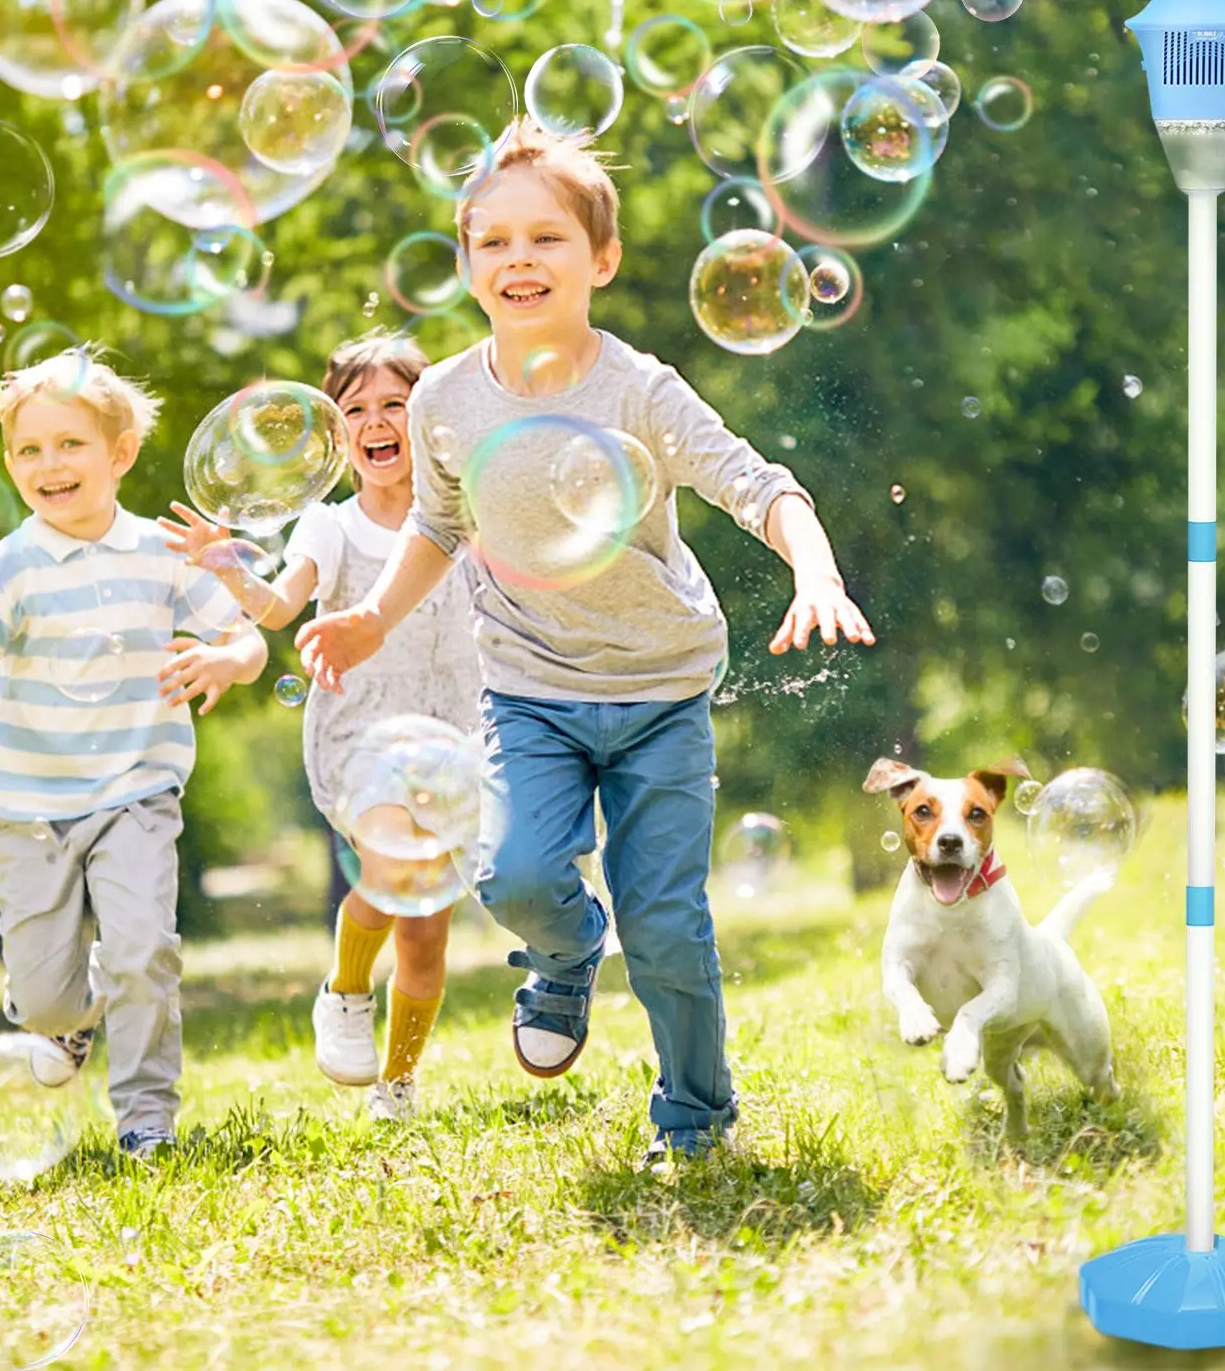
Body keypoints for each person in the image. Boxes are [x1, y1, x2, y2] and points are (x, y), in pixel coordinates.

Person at [296, 120, 876, 1169]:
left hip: (658, 688)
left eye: (546, 239)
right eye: (494, 241)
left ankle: (695, 1120)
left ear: (599, 259)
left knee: (666, 925)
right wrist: (372, 617)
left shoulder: (637, 389)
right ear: (468, 263)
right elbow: (435, 524)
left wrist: (816, 571)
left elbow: (758, 485)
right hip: (527, 689)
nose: (519, 259)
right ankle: (564, 957)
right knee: (512, 875)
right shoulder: (443, 399)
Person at [0, 347, 268, 1161]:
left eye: (70, 444)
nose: (49, 465)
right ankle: (66, 1024)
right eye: (29, 450)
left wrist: (229, 659)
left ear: (119, 454)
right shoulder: (7, 569)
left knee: (143, 949)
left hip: (135, 791)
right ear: (10, 463)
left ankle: (146, 1118)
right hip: (28, 809)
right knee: (45, 999)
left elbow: (245, 636)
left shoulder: (162, 552)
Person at [160, 331, 481, 1124]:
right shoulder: (328, 529)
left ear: (428, 417)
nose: (377, 423)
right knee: (389, 868)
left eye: (395, 406)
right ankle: (343, 991)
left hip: (459, 735)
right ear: (338, 436)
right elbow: (278, 607)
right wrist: (230, 567)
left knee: (427, 937)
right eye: (357, 410)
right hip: (363, 733)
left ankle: (397, 1082)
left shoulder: (468, 515)